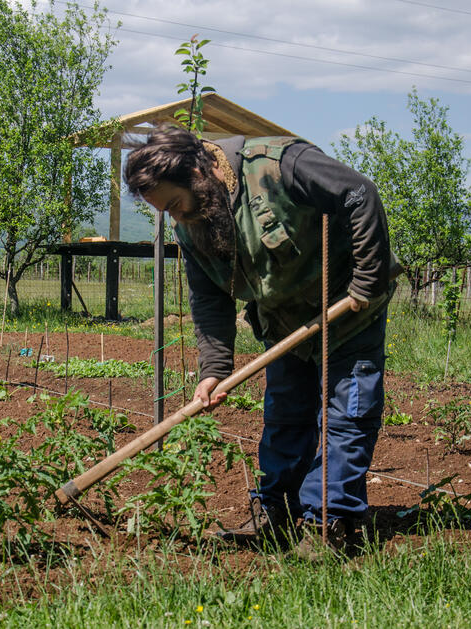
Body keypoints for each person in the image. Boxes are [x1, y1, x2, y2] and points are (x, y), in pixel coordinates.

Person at [123, 125, 396, 551]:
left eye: (176, 204)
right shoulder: (193, 226)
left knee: (348, 415)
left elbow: (359, 193)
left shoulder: (279, 165)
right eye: (167, 212)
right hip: (283, 323)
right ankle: (278, 513)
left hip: (347, 313)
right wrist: (214, 370)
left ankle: (329, 524)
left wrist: (368, 278)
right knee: (286, 415)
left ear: (200, 169)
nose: (176, 217)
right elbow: (209, 300)